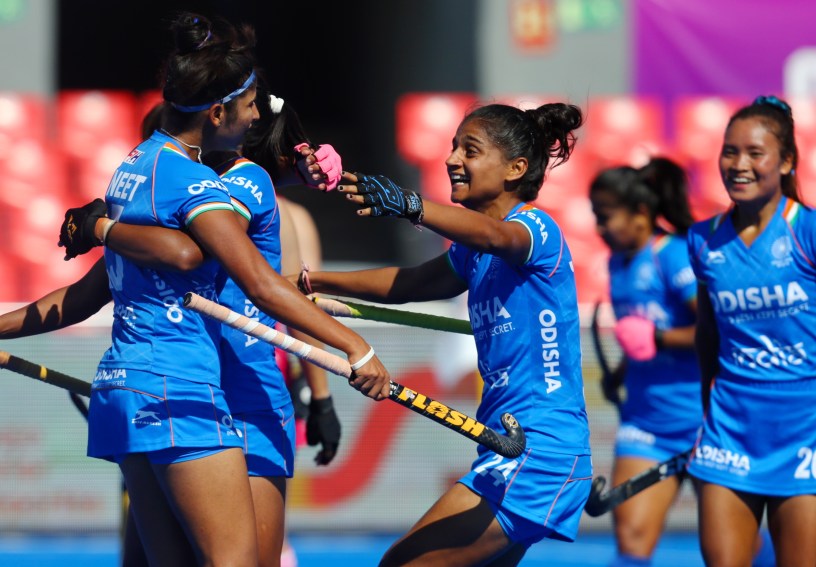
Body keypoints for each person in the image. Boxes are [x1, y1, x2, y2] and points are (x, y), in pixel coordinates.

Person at [53, 12, 389, 566]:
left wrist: (102, 227)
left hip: (236, 392)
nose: (255, 110)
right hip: (198, 388)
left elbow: (252, 276)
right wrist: (353, 350)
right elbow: (229, 270)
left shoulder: (222, 181)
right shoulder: (202, 184)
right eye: (250, 101)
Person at [290, 101, 593, 566]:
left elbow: (497, 237)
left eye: (469, 150)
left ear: (516, 168)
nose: (451, 160)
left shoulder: (534, 228)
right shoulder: (472, 253)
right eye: (453, 147)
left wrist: (410, 205)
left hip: (539, 451)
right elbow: (411, 283)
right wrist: (312, 281)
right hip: (508, 445)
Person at [687, 95, 816, 567]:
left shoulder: (807, 231)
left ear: (786, 162)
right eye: (730, 152)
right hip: (730, 430)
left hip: (806, 430)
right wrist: (707, 410)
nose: (738, 165)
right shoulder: (702, 240)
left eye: (754, 153)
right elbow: (707, 334)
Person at [589, 158, 702, 567]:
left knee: (731, 551)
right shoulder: (616, 263)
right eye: (595, 216)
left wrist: (657, 338)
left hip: (707, 427)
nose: (599, 227)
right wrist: (621, 372)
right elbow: (638, 336)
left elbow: (718, 332)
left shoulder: (673, 255)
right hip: (646, 426)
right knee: (631, 543)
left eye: (606, 216)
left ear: (640, 212)